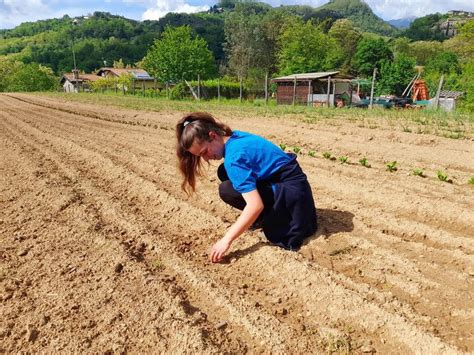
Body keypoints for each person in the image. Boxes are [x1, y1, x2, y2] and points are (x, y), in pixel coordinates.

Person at [176, 112, 317, 263]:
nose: (205, 158)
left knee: (226, 189)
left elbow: (255, 205)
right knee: (224, 172)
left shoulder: (234, 158)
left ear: (213, 136)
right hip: (298, 187)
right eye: (200, 156)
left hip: (293, 194)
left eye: (204, 152)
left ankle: (273, 218)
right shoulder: (234, 137)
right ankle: (265, 216)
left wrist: (226, 240)